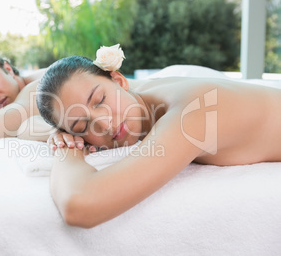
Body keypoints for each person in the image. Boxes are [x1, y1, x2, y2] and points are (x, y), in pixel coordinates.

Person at [36, 51, 281, 229]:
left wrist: (65, 150)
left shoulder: (192, 114)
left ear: (119, 80)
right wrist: (61, 133)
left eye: (100, 100)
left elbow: (79, 206)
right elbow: (28, 125)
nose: (105, 123)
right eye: (82, 125)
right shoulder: (143, 94)